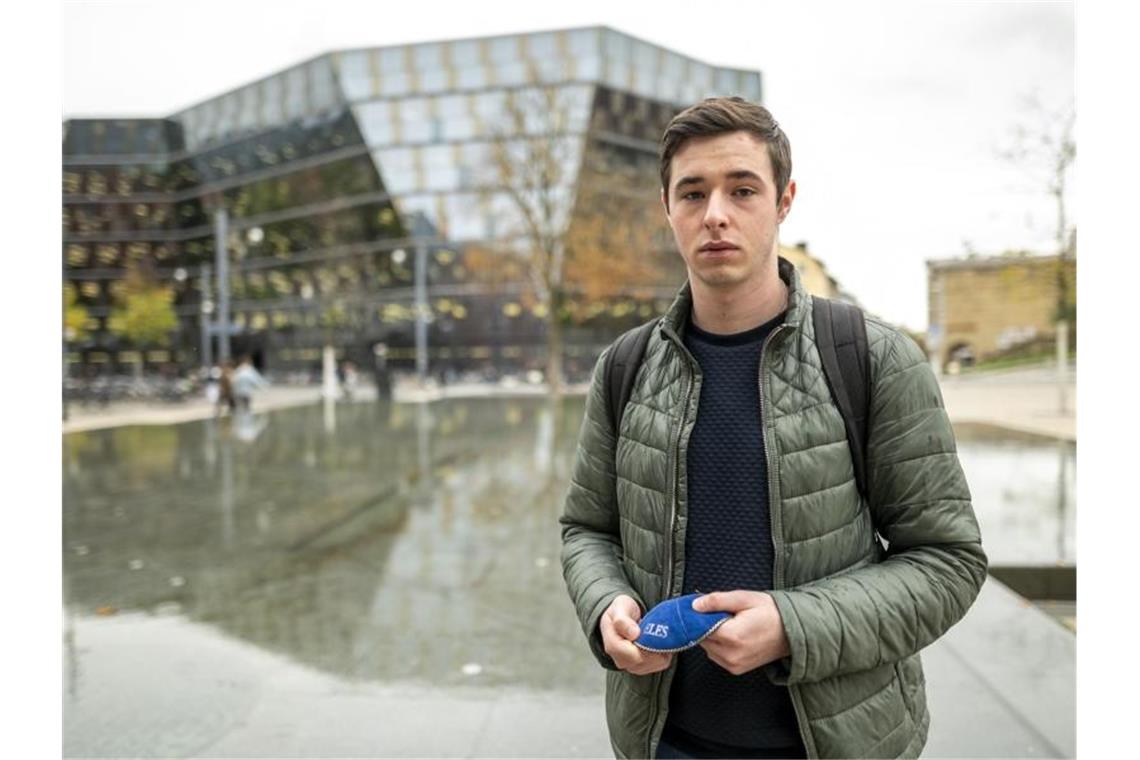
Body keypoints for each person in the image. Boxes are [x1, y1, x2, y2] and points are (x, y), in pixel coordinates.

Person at [559, 97, 987, 760]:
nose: (717, 214)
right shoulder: (625, 367)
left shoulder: (872, 358)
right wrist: (605, 604)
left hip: (841, 744)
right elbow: (587, 529)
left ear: (784, 201)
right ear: (666, 209)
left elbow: (947, 562)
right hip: (662, 743)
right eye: (693, 193)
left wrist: (795, 626)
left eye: (743, 189)